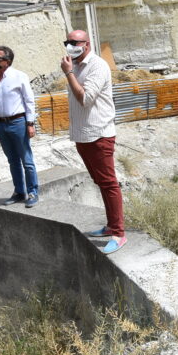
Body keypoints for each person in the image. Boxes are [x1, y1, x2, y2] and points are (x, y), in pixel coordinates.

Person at [60, 30, 127, 254]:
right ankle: (110, 226)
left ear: (86, 44)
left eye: (74, 42)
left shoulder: (97, 66)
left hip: (99, 134)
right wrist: (71, 71)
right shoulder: (76, 66)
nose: (70, 46)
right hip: (82, 134)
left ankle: (119, 234)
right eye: (67, 42)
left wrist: (68, 73)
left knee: (109, 183)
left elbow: (85, 99)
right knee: (100, 182)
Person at [0, 45, 40, 207]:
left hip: (18, 122)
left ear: (7, 61)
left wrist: (30, 123)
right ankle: (19, 191)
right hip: (1, 124)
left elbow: (29, 100)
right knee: (12, 161)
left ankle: (32, 192)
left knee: (27, 160)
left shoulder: (19, 76)